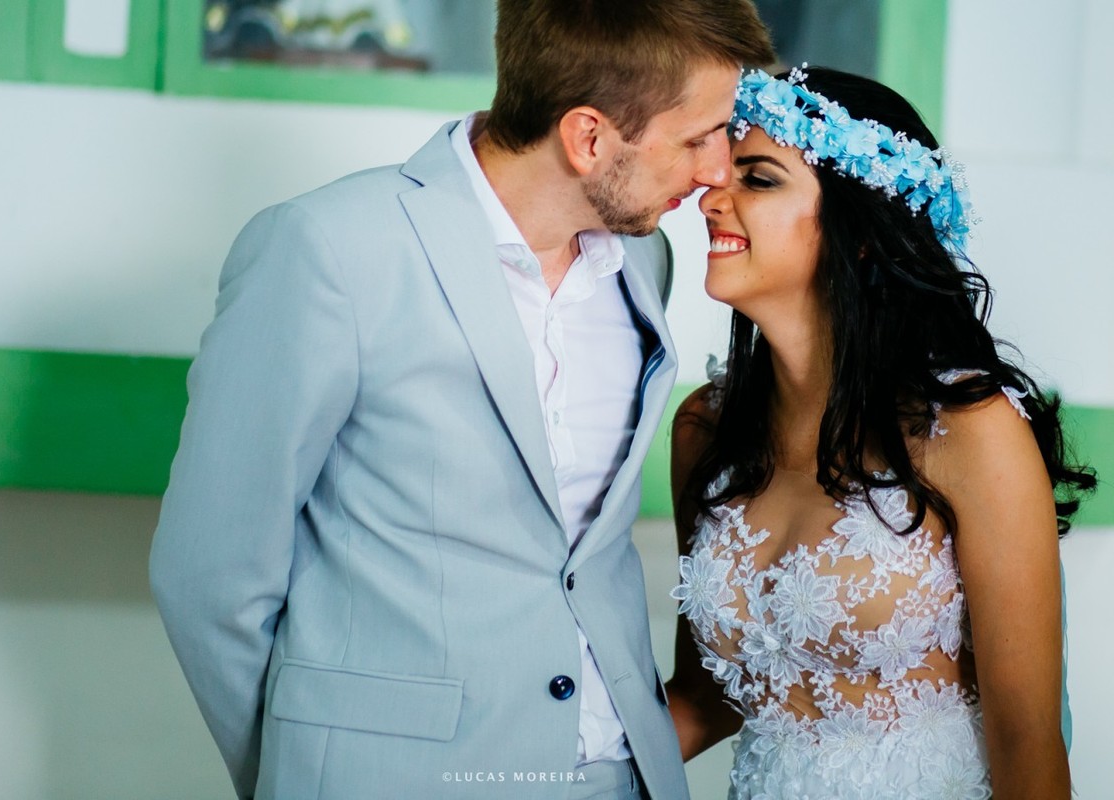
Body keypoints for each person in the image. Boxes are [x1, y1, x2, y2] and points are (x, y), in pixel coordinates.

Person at [149, 2, 774, 798]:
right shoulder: (331, 248)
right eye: (698, 138)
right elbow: (209, 575)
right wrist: (302, 772)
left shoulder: (644, 261)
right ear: (588, 138)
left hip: (620, 774)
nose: (718, 170)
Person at [665, 66, 1095, 799]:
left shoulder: (968, 432)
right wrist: (539, 764)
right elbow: (705, 699)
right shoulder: (705, 429)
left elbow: (1028, 743)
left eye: (758, 179)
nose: (712, 197)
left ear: (861, 233)